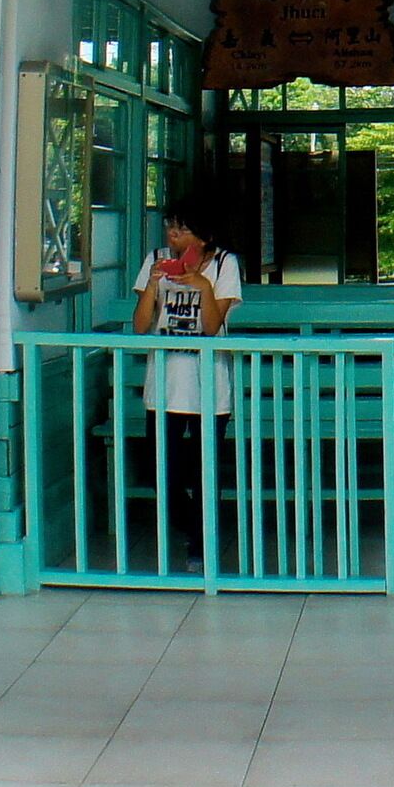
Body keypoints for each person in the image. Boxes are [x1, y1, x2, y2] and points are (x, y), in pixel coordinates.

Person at [131, 207, 237, 571]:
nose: (172, 234)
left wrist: (203, 285)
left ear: (205, 236)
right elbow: (141, 325)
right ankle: (191, 524)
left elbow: (211, 327)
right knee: (161, 470)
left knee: (205, 468)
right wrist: (153, 286)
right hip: (163, 386)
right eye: (169, 226)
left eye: (181, 227)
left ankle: (200, 544)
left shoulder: (225, 264)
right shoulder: (156, 261)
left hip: (209, 387)